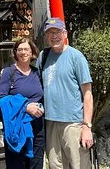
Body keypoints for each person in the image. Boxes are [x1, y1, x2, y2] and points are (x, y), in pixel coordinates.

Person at [38, 17, 94, 169]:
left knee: (79, 165)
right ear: (46, 36)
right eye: (50, 32)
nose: (54, 36)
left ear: (65, 34)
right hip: (50, 121)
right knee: (55, 165)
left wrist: (86, 126)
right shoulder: (43, 56)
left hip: (73, 123)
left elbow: (87, 94)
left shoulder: (76, 57)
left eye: (57, 32)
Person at [0, 38, 45, 169]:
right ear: (15, 53)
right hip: (16, 126)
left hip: (37, 127)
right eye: (20, 50)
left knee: (36, 164)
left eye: (26, 49)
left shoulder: (37, 73)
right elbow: (1, 99)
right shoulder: (9, 73)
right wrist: (25, 107)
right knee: (16, 165)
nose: (23, 52)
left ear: (32, 52)